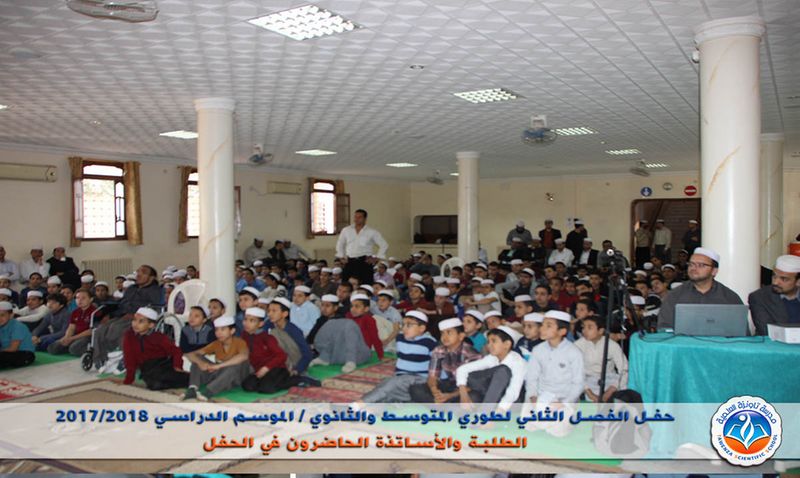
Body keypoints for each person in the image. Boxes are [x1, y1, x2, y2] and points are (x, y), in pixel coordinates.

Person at [524, 310, 584, 437]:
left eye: (548, 326)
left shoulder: (574, 352)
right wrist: (533, 397)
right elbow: (532, 377)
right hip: (541, 396)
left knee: (558, 431)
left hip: (563, 399)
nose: (542, 329)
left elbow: (578, 383)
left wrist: (563, 403)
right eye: (542, 325)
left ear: (562, 331)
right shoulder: (538, 349)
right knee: (528, 424)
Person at [359, 310, 438, 403]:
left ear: (422, 328)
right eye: (403, 325)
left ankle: (362, 402)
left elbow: (437, 363)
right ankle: (374, 406)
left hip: (418, 378)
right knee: (385, 384)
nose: (404, 328)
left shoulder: (429, 342)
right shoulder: (400, 338)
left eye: (409, 325)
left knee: (392, 385)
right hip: (400, 376)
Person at [92, 265, 163, 368]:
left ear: (152, 277)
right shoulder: (131, 288)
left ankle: (126, 358)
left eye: (143, 272)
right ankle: (99, 358)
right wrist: (110, 315)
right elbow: (121, 304)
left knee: (118, 329)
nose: (139, 274)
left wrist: (136, 315)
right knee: (100, 330)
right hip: (123, 315)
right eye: (138, 272)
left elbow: (155, 308)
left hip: (140, 319)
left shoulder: (155, 291)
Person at [656, 247, 743, 330]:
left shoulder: (729, 297)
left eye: (701, 265)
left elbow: (741, 332)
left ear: (714, 271)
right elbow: (664, 329)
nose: (693, 268)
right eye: (691, 264)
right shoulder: (675, 295)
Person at [409, 317, 482, 403]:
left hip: (465, 388)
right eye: (442, 333)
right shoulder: (439, 350)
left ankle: (443, 404)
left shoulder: (472, 354)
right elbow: (432, 377)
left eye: (449, 333)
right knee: (416, 389)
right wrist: (435, 391)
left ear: (461, 336)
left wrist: (449, 396)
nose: (444, 337)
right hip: (449, 384)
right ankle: (444, 404)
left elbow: (474, 385)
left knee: (474, 397)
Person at [456, 325, 526, 413]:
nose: (489, 345)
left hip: (512, 402)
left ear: (507, 344)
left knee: (502, 370)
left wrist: (500, 410)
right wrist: (464, 395)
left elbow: (513, 392)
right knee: (472, 381)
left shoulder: (518, 362)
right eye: (488, 342)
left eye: (494, 341)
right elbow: (462, 369)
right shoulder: (492, 358)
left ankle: (485, 412)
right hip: (492, 397)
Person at [183, 316, 250, 401]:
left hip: (235, 378)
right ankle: (192, 389)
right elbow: (190, 354)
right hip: (219, 375)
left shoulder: (239, 342)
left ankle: (208, 392)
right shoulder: (216, 343)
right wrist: (201, 363)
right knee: (198, 359)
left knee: (236, 365)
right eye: (217, 330)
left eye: (223, 329)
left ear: (232, 331)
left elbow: (244, 356)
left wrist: (218, 366)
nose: (219, 333)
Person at [312, 293, 382, 373]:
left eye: (357, 306)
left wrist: (380, 355)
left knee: (349, 325)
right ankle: (325, 357)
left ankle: (350, 362)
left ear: (366, 309)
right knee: (333, 323)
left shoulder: (369, 320)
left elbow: (375, 338)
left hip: (360, 352)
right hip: (345, 349)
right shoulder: (347, 316)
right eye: (352, 306)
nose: (353, 309)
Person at [122, 307, 189, 390]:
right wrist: (129, 378)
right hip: (147, 368)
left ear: (151, 325)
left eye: (141, 321)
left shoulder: (158, 337)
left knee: (167, 378)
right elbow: (129, 357)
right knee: (153, 385)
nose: (135, 324)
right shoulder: (129, 336)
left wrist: (177, 366)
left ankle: (191, 379)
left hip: (162, 364)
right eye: (134, 320)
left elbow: (176, 351)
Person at [241, 307, 295, 394]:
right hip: (259, 370)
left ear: (260, 324)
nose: (247, 323)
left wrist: (266, 368)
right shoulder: (244, 335)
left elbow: (281, 355)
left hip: (276, 368)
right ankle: (268, 382)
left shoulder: (267, 338)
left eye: (252, 321)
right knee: (247, 386)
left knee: (266, 388)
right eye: (245, 319)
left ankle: (294, 379)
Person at [574, 316, 628, 403]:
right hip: (587, 381)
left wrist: (612, 389)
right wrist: (589, 393)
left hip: (609, 379)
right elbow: (574, 371)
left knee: (624, 388)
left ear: (601, 331)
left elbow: (624, 369)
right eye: (583, 327)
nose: (584, 331)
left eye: (589, 328)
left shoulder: (611, 345)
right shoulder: (577, 345)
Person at [749, 254, 800, 335]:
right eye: (774, 276)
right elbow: (767, 331)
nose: (775, 282)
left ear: (798, 282)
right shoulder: (760, 297)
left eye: (784, 279)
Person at [336, 209, 388, 285]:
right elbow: (340, 243)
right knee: (346, 285)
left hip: (365, 262)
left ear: (365, 219)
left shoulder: (371, 232)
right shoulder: (346, 230)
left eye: (359, 217)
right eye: (355, 217)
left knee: (366, 285)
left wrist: (376, 258)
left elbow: (384, 245)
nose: (356, 219)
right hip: (350, 261)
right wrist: (341, 257)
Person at [47, 289, 95, 356]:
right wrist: (66, 338)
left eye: (83, 298)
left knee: (74, 349)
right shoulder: (75, 312)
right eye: (77, 298)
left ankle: (93, 349)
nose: (80, 300)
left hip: (88, 337)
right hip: (75, 336)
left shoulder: (95, 312)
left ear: (91, 299)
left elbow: (92, 331)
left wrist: (72, 338)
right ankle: (71, 347)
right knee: (52, 348)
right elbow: (71, 327)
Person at [0, 301, 35, 368]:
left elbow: (13, 348)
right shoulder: (2, 325)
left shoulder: (17, 326)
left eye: (2, 315)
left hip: (25, 354)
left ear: (11, 315)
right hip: (7, 352)